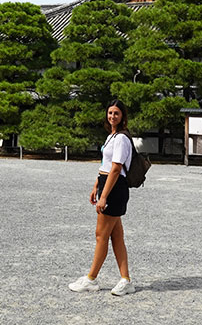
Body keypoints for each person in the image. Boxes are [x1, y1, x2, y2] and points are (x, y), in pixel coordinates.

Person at [69, 100, 136, 296]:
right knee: (116, 237)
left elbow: (116, 168)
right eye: (110, 113)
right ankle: (126, 280)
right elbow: (105, 165)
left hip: (114, 189)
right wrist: (96, 186)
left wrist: (104, 196)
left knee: (101, 235)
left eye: (116, 113)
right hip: (107, 185)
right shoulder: (112, 136)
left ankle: (91, 278)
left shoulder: (122, 138)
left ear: (123, 116)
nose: (112, 116)